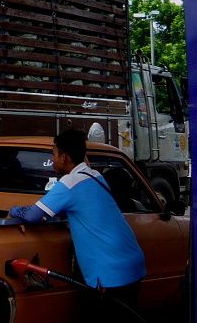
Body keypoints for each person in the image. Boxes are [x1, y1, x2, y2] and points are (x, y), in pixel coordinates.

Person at [9, 128, 146, 300]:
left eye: (54, 154)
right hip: (131, 261)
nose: (52, 160)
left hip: (109, 272)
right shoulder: (96, 176)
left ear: (64, 157)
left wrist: (14, 210)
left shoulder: (69, 183)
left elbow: (32, 216)